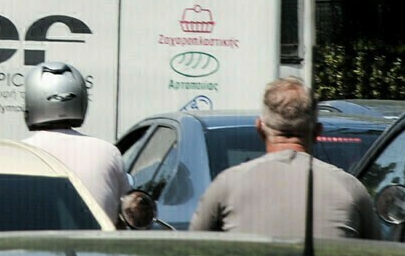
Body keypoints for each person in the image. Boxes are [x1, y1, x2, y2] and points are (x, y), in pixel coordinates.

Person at [190, 77, 381, 240]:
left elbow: (193, 254)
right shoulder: (349, 189)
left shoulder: (228, 184)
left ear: (259, 128)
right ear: (317, 132)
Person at [22, 62, 152, 228]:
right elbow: (125, 213)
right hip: (97, 250)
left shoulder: (23, 152)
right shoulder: (107, 152)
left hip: (31, 249)